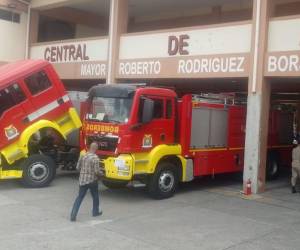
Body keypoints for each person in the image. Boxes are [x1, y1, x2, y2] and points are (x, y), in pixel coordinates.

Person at [70, 142, 102, 221]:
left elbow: (78, 167)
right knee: (95, 196)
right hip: (92, 181)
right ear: (96, 148)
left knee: (79, 197)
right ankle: (95, 212)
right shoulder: (95, 158)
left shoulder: (83, 156)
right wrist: (102, 174)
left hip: (82, 180)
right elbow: (97, 171)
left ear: (89, 148)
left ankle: (73, 215)